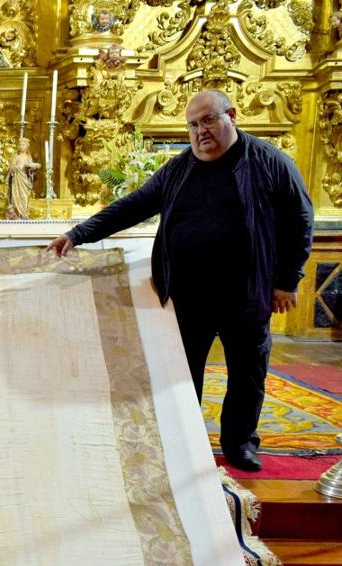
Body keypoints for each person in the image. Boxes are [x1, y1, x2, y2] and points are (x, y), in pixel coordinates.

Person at [47, 90, 313, 472]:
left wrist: (287, 280)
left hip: (247, 291)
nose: (200, 131)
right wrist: (79, 233)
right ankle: (187, 440)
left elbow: (300, 220)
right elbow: (134, 205)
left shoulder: (269, 162)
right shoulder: (179, 168)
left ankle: (240, 443)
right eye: (192, 124)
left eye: (208, 120)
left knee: (248, 373)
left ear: (231, 116)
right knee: (184, 374)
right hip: (190, 294)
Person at [6, 138, 40, 220]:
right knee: (16, 197)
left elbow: (31, 168)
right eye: (20, 145)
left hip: (25, 180)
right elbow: (11, 168)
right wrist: (16, 168)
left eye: (23, 144)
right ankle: (16, 215)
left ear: (27, 146)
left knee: (24, 197)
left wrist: (33, 167)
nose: (21, 146)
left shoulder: (28, 157)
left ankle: (24, 214)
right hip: (17, 181)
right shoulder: (16, 156)